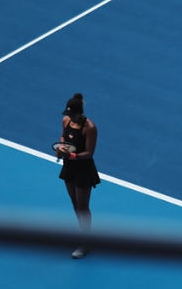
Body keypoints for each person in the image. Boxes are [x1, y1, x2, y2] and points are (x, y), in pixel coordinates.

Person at [55, 93, 101, 259]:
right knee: (75, 203)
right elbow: (63, 137)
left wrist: (72, 156)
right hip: (69, 167)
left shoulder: (89, 127)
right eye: (68, 114)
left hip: (83, 169)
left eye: (72, 114)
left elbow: (89, 153)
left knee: (83, 206)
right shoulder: (66, 121)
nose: (69, 117)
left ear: (80, 113)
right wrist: (61, 148)